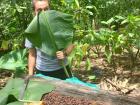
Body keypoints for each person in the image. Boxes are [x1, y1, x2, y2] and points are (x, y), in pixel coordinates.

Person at [25, 0, 74, 80]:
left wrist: (64, 53)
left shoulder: (59, 23)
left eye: (46, 9)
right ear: (34, 12)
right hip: (42, 71)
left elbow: (71, 44)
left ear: (50, 9)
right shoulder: (32, 30)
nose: (43, 13)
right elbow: (32, 54)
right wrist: (30, 74)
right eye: (39, 10)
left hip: (62, 69)